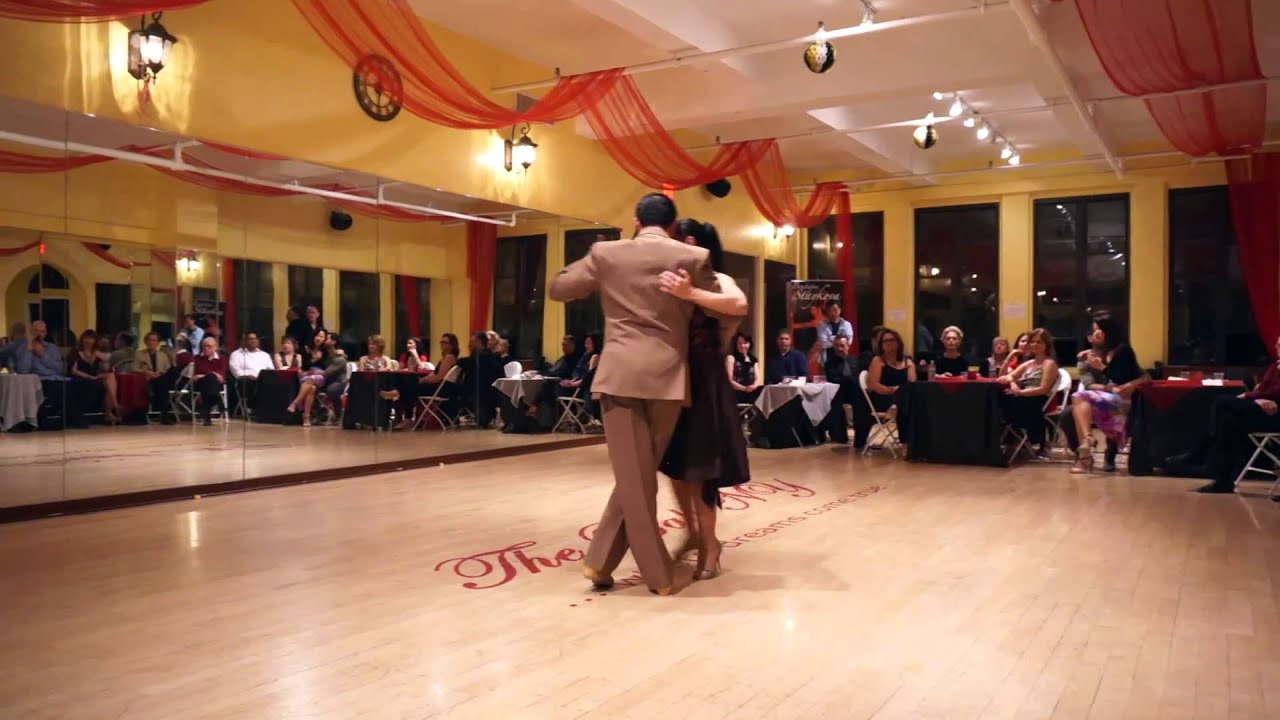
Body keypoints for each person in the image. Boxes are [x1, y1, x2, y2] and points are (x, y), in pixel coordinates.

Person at [548, 192, 717, 595]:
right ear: (674, 224)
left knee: (634, 478)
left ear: (636, 221)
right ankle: (601, 563)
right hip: (669, 379)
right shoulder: (693, 257)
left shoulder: (606, 253)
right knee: (637, 477)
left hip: (620, 376)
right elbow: (715, 306)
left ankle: (657, 576)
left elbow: (559, 289)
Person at [657, 218, 749, 581]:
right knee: (675, 468)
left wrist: (689, 294)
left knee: (701, 471)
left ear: (691, 243)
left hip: (705, 386)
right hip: (673, 383)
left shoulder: (715, 280)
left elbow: (739, 304)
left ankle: (711, 543)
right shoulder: (674, 278)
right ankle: (693, 536)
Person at [1165, 334, 1280, 493]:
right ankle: (1223, 481)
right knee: (1227, 421)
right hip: (1262, 411)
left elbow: (1274, 392)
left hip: (1276, 415)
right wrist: (1258, 398)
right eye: (1278, 346)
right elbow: (1261, 390)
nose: (1279, 349)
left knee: (1222, 401)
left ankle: (1197, 454)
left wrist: (1250, 396)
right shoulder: (1275, 367)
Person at [1065, 318, 1148, 474]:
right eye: (1093, 331)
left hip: (1122, 400)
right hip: (1105, 397)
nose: (1095, 334)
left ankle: (1090, 452)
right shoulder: (1087, 357)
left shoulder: (1123, 351)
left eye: (1098, 329)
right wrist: (1111, 387)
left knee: (1078, 398)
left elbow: (1126, 378)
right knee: (1073, 406)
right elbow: (1089, 384)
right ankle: (1086, 444)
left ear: (1108, 331)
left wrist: (1103, 368)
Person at [997, 327, 1059, 457]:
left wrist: (1020, 393)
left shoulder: (1049, 363)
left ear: (1046, 345)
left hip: (1036, 399)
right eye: (1033, 342)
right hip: (1021, 397)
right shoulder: (1029, 363)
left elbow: (1043, 389)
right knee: (995, 397)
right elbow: (1006, 376)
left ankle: (1012, 434)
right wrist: (1012, 382)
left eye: (1039, 342)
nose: (1035, 345)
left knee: (1001, 403)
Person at [857, 328, 916, 450]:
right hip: (882, 398)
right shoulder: (878, 361)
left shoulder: (908, 362)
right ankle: (906, 443)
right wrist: (891, 391)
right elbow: (873, 384)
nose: (888, 343)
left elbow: (912, 385)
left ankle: (916, 442)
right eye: (885, 341)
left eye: (891, 340)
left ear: (898, 342)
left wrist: (900, 391)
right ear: (881, 345)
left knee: (910, 399)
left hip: (902, 399)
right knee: (905, 401)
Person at [395, 333, 460, 429]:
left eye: (444, 342)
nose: (441, 344)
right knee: (410, 384)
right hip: (441, 387)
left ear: (451, 345)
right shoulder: (447, 357)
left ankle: (408, 417)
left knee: (409, 387)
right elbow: (435, 374)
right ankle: (398, 395)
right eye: (441, 342)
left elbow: (439, 377)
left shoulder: (449, 357)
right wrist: (424, 379)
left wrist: (424, 380)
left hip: (441, 389)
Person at [69, 330, 121, 425]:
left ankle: (112, 408)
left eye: (91, 338)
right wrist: (89, 376)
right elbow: (74, 371)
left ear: (95, 341)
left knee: (110, 375)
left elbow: (106, 368)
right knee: (108, 384)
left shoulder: (96, 352)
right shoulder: (76, 351)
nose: (88, 341)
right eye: (86, 338)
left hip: (95, 376)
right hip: (81, 377)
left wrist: (102, 358)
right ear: (82, 339)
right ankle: (112, 409)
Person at [823, 335, 861, 444]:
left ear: (848, 346)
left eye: (842, 346)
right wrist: (848, 379)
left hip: (855, 392)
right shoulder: (829, 364)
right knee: (835, 403)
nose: (839, 349)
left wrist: (847, 379)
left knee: (861, 403)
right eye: (836, 346)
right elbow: (832, 379)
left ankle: (860, 436)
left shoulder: (856, 361)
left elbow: (859, 378)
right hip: (838, 392)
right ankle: (840, 437)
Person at [134, 332, 177, 424]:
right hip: (148, 380)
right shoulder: (139, 354)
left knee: (170, 373)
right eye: (150, 340)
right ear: (146, 341)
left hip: (161, 379)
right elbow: (133, 368)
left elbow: (167, 370)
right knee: (163, 386)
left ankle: (164, 415)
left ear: (158, 343)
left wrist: (160, 374)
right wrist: (147, 372)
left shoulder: (163, 355)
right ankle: (165, 415)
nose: (152, 342)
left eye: (154, 340)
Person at [228, 332, 274, 414]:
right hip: (245, 381)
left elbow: (271, 370)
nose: (253, 341)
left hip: (262, 380)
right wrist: (248, 376)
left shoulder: (264, 355)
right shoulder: (236, 354)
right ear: (245, 341)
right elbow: (236, 371)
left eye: (255, 339)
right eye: (250, 339)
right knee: (249, 382)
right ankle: (252, 407)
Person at [191, 336, 227, 426]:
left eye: (209, 346)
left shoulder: (222, 359)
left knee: (210, 378)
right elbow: (196, 373)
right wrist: (213, 374)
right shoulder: (196, 358)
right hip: (201, 384)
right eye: (204, 346)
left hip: (216, 384)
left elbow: (222, 374)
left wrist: (206, 374)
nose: (206, 349)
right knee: (210, 378)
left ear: (215, 347)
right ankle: (216, 400)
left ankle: (206, 414)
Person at [727, 332, 761, 404]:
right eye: (740, 343)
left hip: (752, 393)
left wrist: (753, 386)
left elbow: (757, 378)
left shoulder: (753, 359)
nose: (743, 346)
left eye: (745, 343)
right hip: (736, 394)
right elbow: (729, 379)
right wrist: (744, 388)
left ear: (750, 344)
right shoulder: (731, 358)